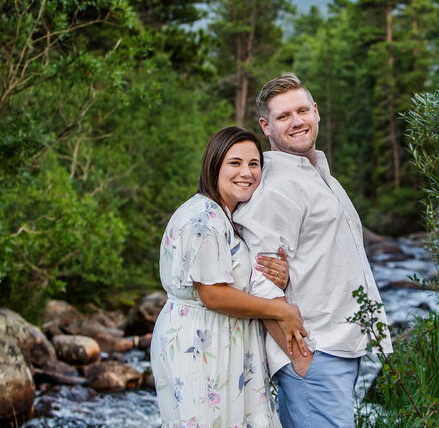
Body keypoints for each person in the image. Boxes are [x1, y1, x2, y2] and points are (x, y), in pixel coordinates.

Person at [234, 73, 393, 428]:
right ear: (266, 126)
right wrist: (300, 357)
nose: (296, 122)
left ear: (316, 112)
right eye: (283, 116)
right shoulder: (277, 187)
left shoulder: (318, 172)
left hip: (337, 348)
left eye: (302, 110)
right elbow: (258, 281)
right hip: (314, 353)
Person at [150, 126, 309, 428]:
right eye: (235, 163)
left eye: (254, 164)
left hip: (223, 339)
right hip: (201, 342)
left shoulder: (226, 215)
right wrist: (282, 310)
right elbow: (214, 294)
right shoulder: (204, 218)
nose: (246, 173)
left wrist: (280, 273)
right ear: (215, 165)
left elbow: (236, 274)